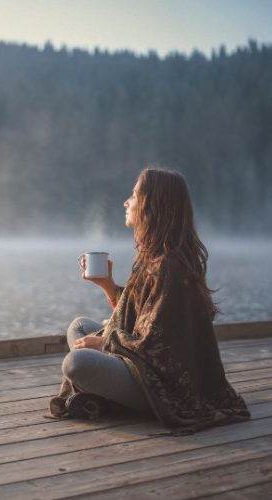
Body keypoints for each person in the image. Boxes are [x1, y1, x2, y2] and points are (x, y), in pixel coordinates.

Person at [49, 166, 250, 435]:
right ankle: (104, 393)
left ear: (152, 205)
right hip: (140, 363)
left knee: (76, 363)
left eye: (133, 195)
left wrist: (106, 343)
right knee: (80, 326)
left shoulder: (170, 266)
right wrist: (108, 286)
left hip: (163, 387)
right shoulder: (155, 257)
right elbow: (141, 315)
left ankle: (108, 398)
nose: (126, 202)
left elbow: (156, 345)